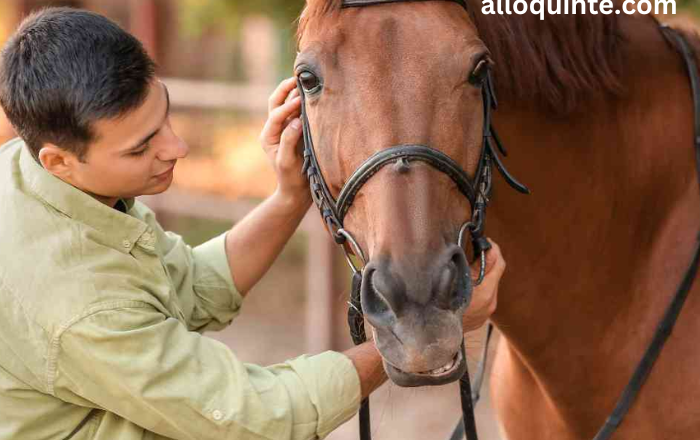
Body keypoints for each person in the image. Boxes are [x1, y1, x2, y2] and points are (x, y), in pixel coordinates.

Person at [0, 7, 506, 440]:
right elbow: (250, 415)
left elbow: (190, 289)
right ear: (59, 160)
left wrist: (290, 197)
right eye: (141, 147)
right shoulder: (75, 304)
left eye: (164, 120)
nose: (176, 148)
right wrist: (428, 328)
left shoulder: (39, 181)